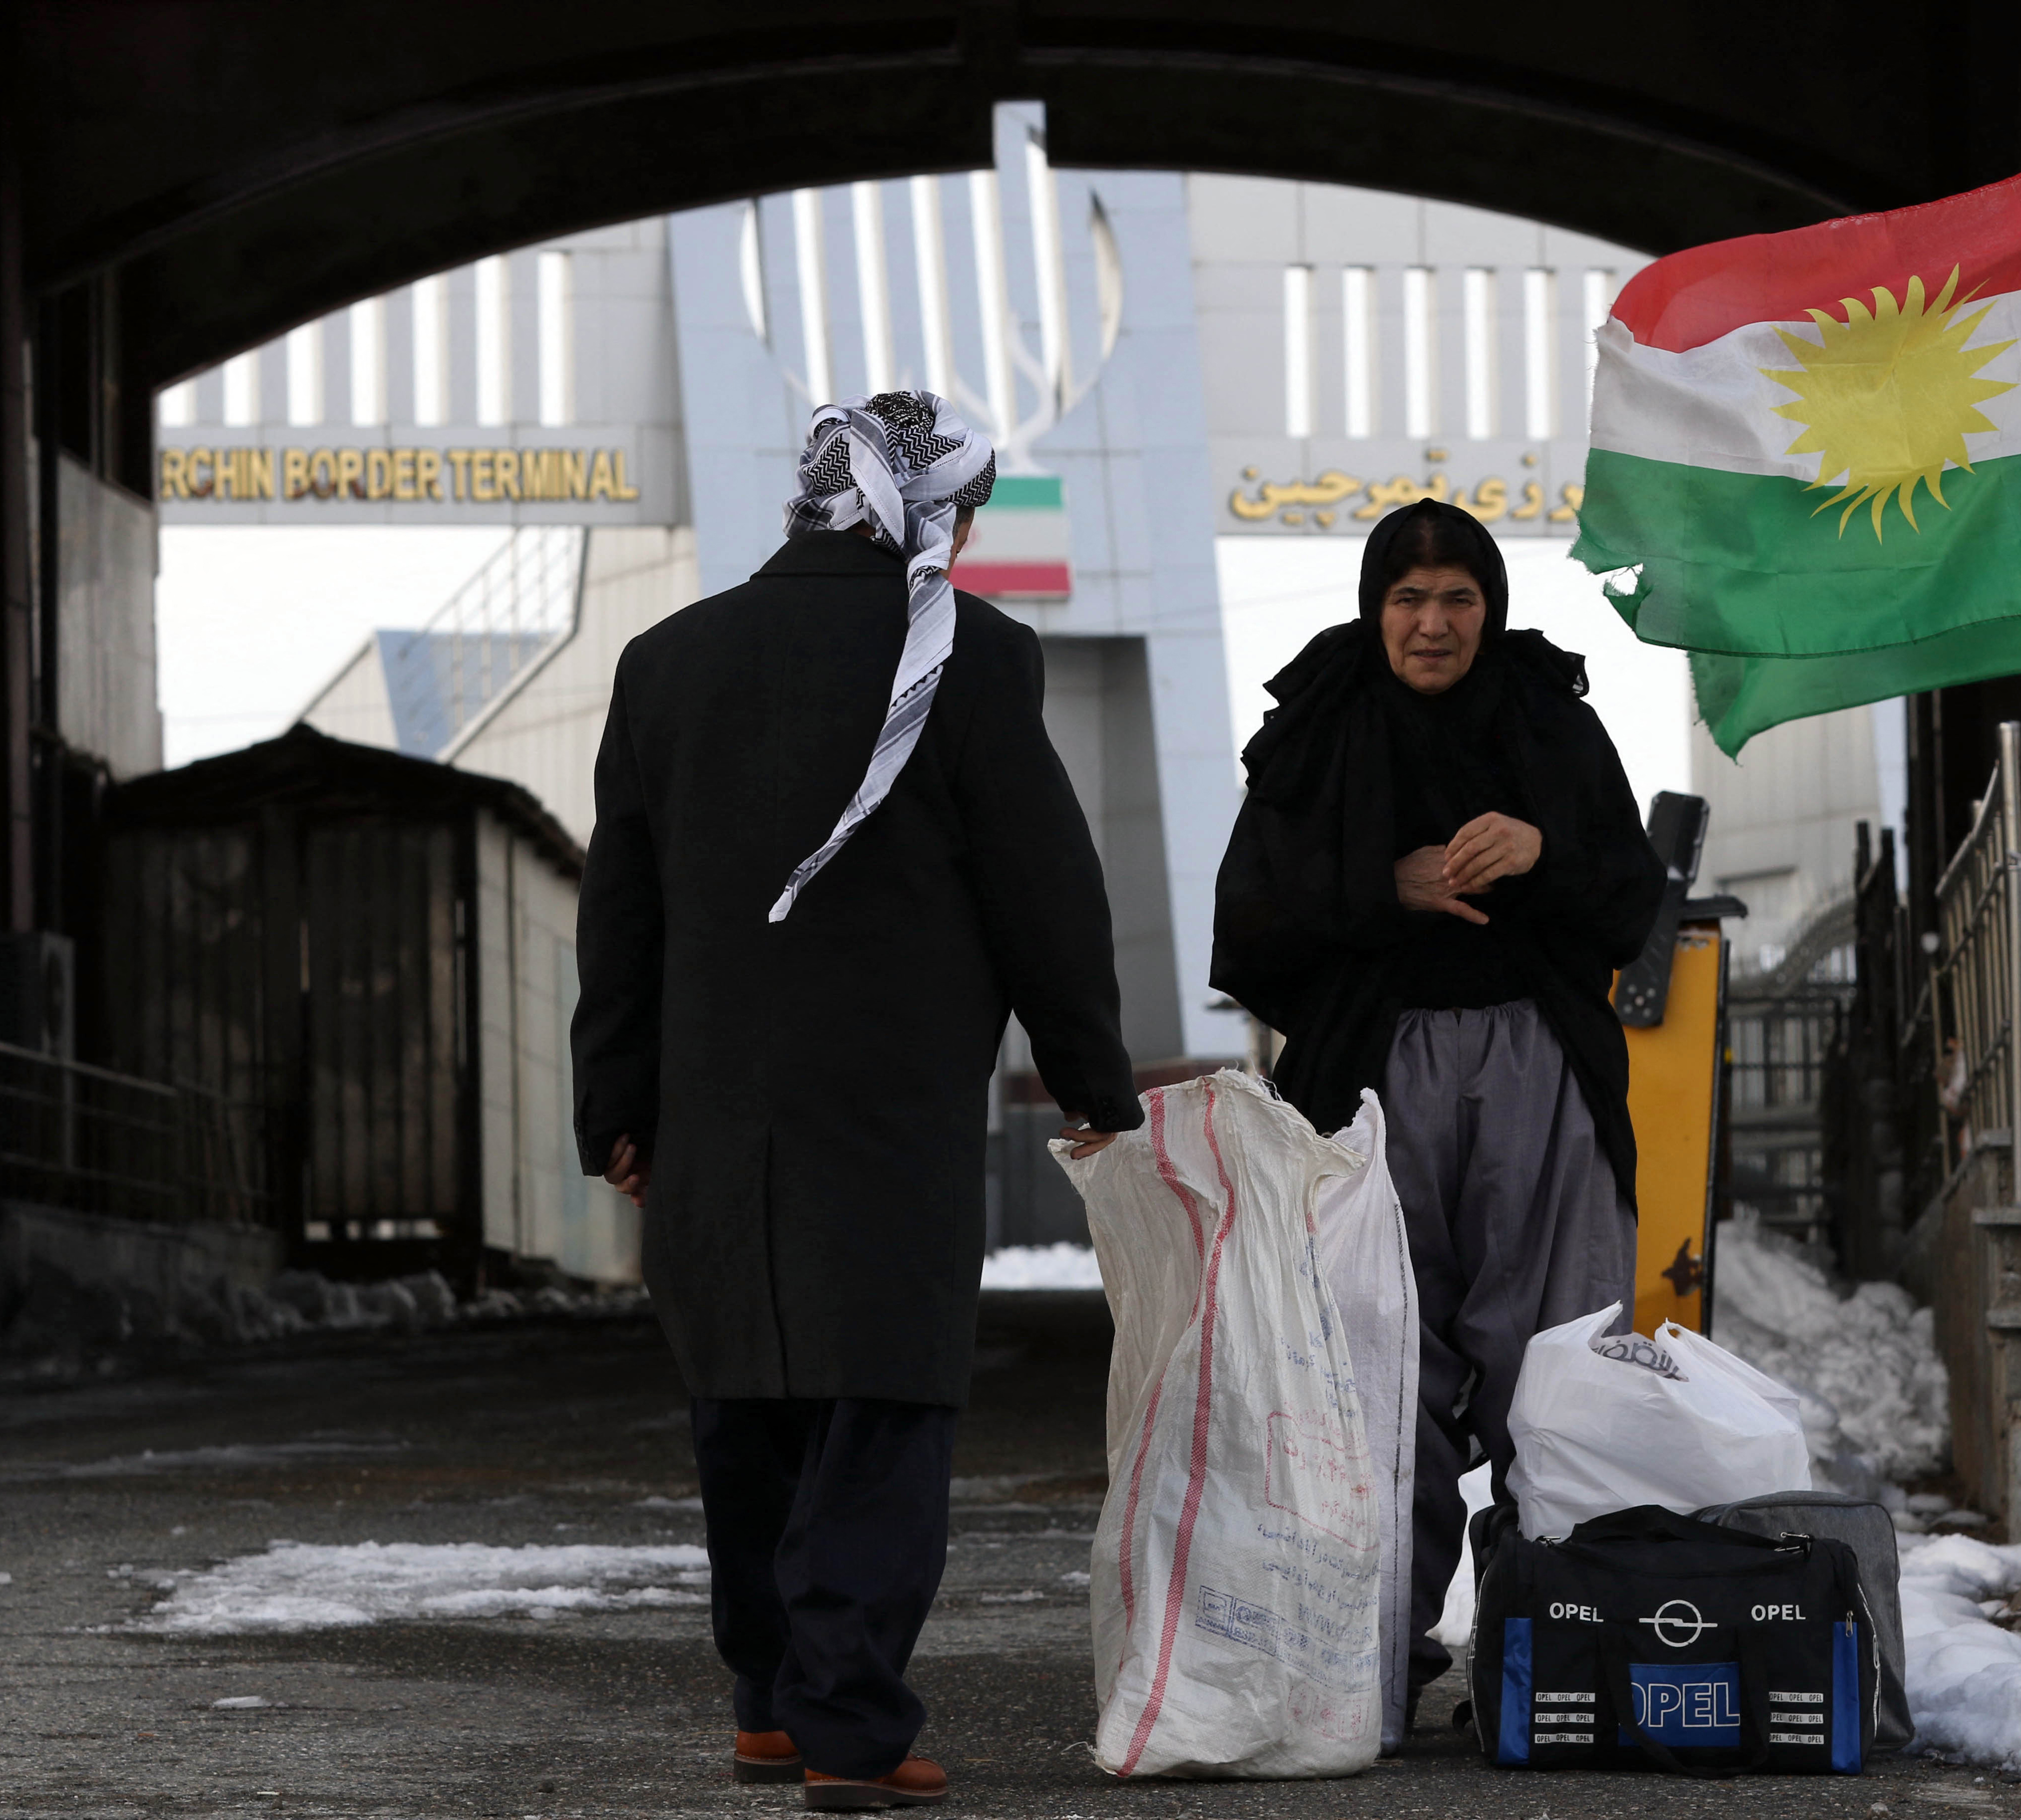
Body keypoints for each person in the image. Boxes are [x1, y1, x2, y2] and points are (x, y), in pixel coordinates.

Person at [572, 390, 1142, 1811]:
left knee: (746, 1404)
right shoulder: (967, 659)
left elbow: (621, 915)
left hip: (715, 1112)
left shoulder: (668, 663)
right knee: (877, 1412)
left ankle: (771, 1705)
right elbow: (1044, 892)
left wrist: (615, 1103)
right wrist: (1092, 1078)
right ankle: (849, 1727)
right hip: (885, 1117)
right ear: (934, 508)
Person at [1210, 498, 1666, 1747]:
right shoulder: (1319, 729)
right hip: (1372, 1081)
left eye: (1457, 597)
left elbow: (1629, 899)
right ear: (1375, 607)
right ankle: (1368, 1667)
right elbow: (1246, 928)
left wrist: (1539, 848)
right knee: (1371, 1375)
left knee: (1551, 1363)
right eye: (1409, 599)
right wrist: (1386, 887)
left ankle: (1547, 1658)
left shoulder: (1549, 722)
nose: (1432, 622)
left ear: (1491, 606)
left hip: (1538, 1067)